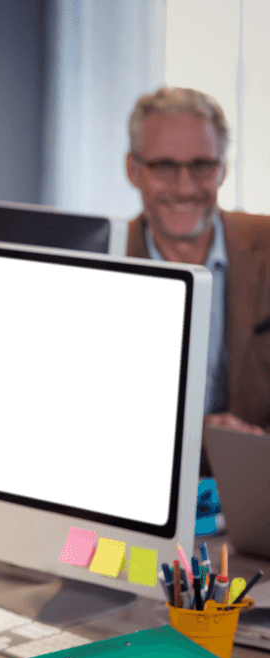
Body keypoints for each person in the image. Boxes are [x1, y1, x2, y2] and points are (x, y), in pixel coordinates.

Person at [126, 86, 270, 437]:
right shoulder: (97, 262)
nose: (185, 188)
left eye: (201, 165)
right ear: (133, 170)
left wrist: (254, 445)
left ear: (223, 170)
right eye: (164, 166)